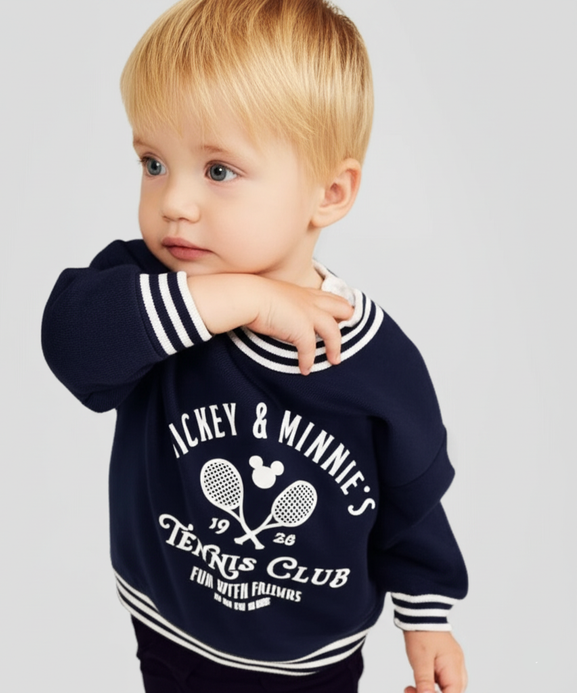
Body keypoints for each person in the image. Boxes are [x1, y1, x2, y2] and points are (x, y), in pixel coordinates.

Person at [41, 1, 468, 691]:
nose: (174, 202)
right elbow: (74, 342)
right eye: (154, 162)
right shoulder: (149, 291)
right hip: (167, 624)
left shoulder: (373, 361)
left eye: (218, 171)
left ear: (329, 193)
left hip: (309, 658)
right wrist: (244, 298)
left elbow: (408, 499)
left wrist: (427, 617)